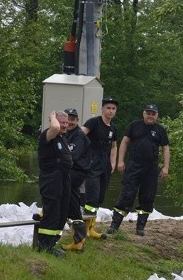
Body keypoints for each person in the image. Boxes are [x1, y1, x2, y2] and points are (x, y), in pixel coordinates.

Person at [106, 104, 170, 236]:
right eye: (148, 113)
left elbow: (165, 148)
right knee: (126, 195)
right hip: (133, 166)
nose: (150, 115)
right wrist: (120, 161)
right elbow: (124, 142)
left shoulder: (160, 130)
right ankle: (114, 225)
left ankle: (140, 227)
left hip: (151, 168)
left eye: (153, 113)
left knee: (147, 197)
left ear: (157, 115)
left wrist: (166, 167)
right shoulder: (134, 125)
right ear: (143, 114)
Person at [36, 111, 73, 257]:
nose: (64, 125)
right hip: (51, 179)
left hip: (63, 178)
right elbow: (56, 128)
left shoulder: (63, 138)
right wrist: (52, 117)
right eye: (61, 122)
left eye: (66, 122)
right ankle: (44, 246)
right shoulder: (48, 135)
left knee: (62, 213)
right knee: (52, 212)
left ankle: (52, 243)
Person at [82, 97, 119, 239]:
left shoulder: (113, 128)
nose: (110, 111)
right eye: (108, 108)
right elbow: (80, 135)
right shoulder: (94, 122)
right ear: (102, 109)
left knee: (100, 197)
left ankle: (91, 228)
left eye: (113, 108)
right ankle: (83, 230)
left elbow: (114, 146)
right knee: (92, 195)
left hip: (105, 165)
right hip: (92, 163)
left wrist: (113, 163)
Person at [62, 108, 92, 252]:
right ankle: (79, 240)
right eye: (68, 119)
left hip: (76, 172)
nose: (70, 122)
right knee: (73, 203)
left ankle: (47, 210)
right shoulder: (65, 134)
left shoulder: (79, 136)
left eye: (73, 119)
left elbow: (71, 157)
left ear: (77, 121)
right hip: (70, 172)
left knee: (57, 188)